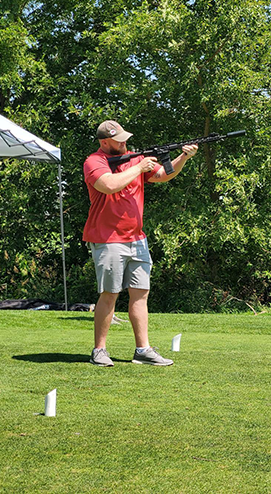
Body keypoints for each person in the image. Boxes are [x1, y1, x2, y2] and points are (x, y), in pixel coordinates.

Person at [83, 120, 197, 367]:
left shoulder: (134, 159)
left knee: (140, 294)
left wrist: (183, 158)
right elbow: (108, 185)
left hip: (137, 239)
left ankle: (143, 349)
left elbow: (163, 175)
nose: (124, 142)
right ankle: (99, 351)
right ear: (104, 142)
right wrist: (139, 166)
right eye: (118, 140)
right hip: (108, 239)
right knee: (110, 294)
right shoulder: (95, 162)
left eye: (125, 138)